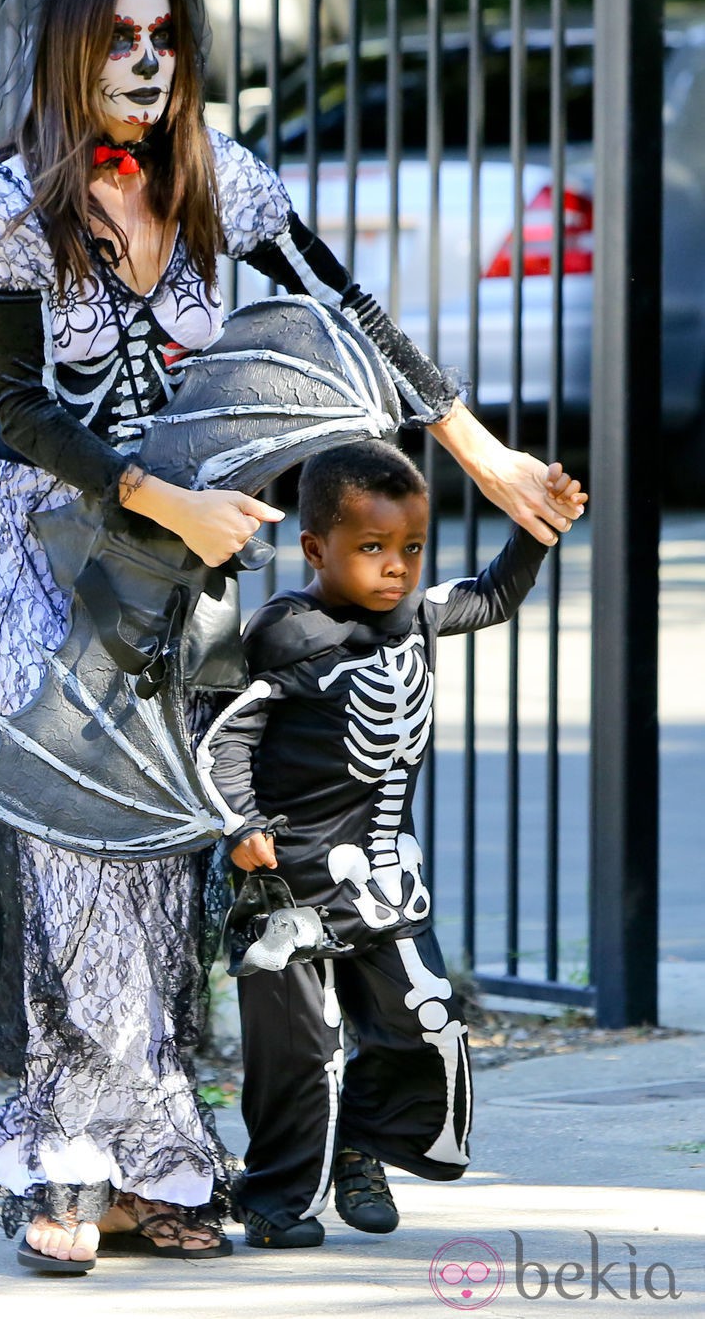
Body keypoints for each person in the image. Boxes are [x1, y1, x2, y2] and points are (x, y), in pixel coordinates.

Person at [0, 0, 586, 1276]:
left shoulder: (224, 180)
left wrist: (482, 452)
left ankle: (158, 1156)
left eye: (166, 34)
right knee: (80, 844)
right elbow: (19, 414)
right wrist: (163, 496)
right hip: (36, 549)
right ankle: (70, 1156)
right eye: (119, 35)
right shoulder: (6, 202)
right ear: (67, 44)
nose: (146, 56)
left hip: (179, 568)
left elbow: (355, 320)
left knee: (165, 855)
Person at [202, 438, 555, 1249]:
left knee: (426, 1018)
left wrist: (537, 529)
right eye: (372, 549)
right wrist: (242, 824)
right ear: (315, 549)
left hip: (387, 882)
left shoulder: (417, 617)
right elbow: (226, 737)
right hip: (289, 886)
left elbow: (495, 595)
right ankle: (277, 1198)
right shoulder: (289, 635)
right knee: (300, 1051)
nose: (397, 567)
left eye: (411, 548)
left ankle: (363, 1144)